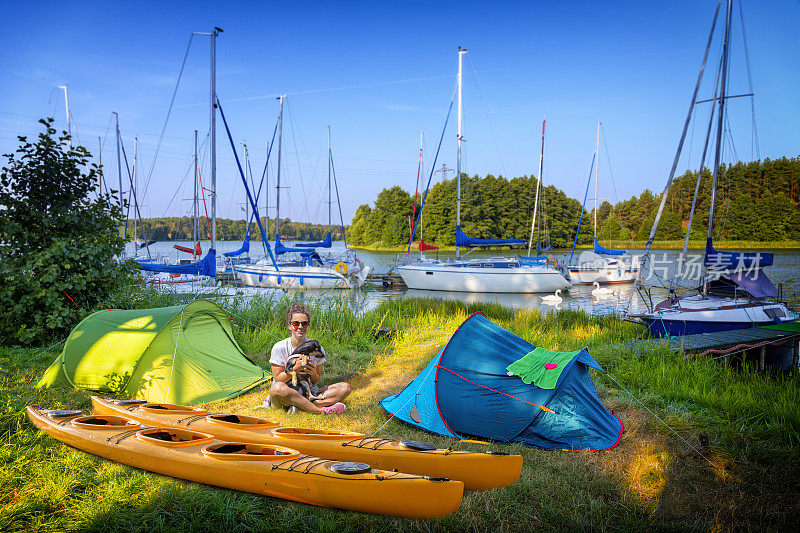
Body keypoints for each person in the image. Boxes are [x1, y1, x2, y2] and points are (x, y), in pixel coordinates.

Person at [265, 303, 350, 414]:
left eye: (304, 324)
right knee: (277, 389)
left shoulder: (317, 349)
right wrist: (295, 369)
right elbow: (278, 380)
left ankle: (300, 407)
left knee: (345, 388)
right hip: (286, 391)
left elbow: (315, 381)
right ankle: (320, 411)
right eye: (296, 324)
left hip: (306, 390)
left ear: (308, 326)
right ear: (289, 326)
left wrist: (313, 372)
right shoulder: (280, 347)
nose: (300, 327)